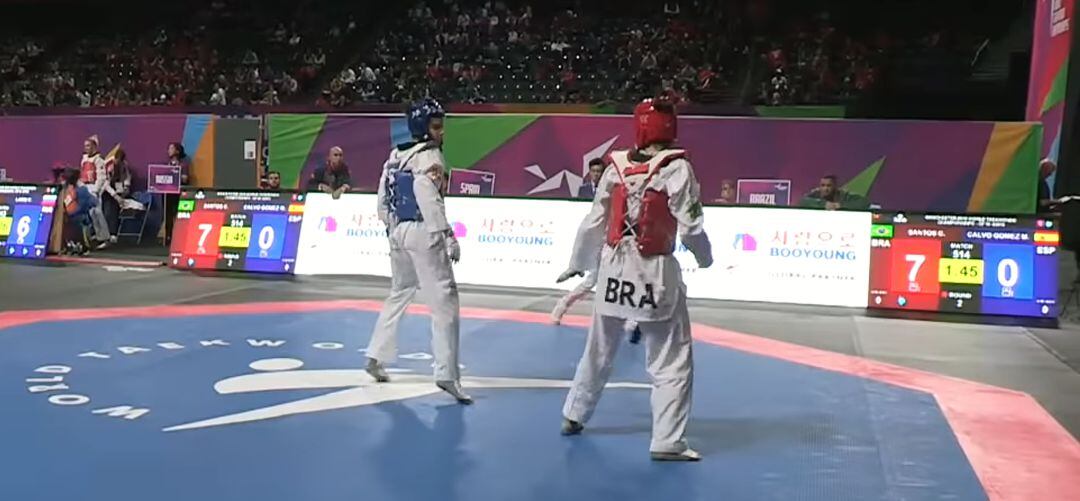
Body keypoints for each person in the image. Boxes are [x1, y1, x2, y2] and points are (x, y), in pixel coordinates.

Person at [556, 97, 713, 461]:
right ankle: (667, 440)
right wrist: (706, 258)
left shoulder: (615, 166)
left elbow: (594, 221)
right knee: (671, 358)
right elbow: (691, 228)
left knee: (598, 347)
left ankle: (574, 414)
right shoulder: (677, 169)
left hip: (613, 270)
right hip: (653, 270)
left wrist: (578, 262)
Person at [364, 99, 471, 404]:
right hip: (424, 232)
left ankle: (375, 355)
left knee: (400, 291)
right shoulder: (430, 158)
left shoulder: (395, 155)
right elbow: (429, 199)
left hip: (397, 231)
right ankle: (447, 373)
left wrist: (393, 227)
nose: (441, 134)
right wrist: (447, 236)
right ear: (424, 128)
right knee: (445, 301)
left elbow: (381, 202)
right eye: (436, 127)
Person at [551, 158, 608, 324]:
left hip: (617, 241)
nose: (597, 174)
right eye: (594, 171)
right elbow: (585, 233)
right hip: (603, 241)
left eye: (600, 171)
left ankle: (631, 321)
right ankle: (562, 304)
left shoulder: (612, 190)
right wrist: (577, 264)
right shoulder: (596, 204)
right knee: (593, 279)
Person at [79, 136, 112, 248]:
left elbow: (102, 177)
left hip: (94, 188)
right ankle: (96, 236)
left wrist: (96, 191)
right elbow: (82, 173)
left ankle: (105, 238)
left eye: (88, 145)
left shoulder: (99, 160)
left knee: (97, 213)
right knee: (90, 215)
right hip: (85, 187)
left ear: (94, 146)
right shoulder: (84, 159)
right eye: (85, 146)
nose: (86, 148)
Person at [799, 174, 869, 210]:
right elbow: (802, 201)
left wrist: (840, 206)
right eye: (823, 185)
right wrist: (823, 204)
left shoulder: (844, 195)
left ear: (835, 187)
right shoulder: (816, 193)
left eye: (829, 186)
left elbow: (864, 202)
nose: (825, 189)